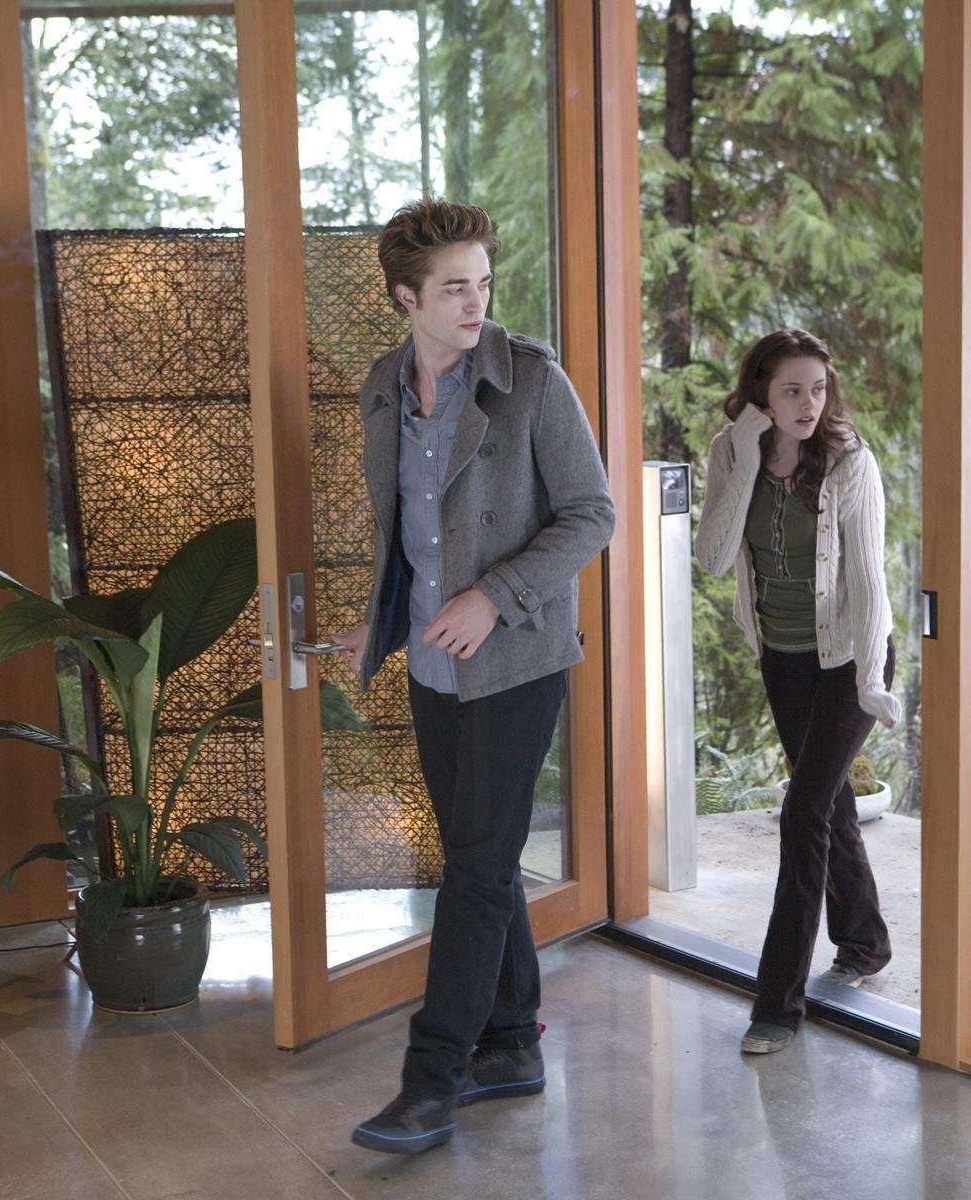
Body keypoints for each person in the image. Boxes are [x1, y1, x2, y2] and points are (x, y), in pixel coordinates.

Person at [331, 198, 615, 1153]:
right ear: (405, 298)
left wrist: (495, 596)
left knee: (477, 868)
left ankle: (430, 1081)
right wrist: (377, 627)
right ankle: (512, 1042)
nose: (476, 303)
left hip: (516, 663)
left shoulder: (530, 381)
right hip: (429, 666)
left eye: (483, 283)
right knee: (479, 858)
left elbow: (592, 513)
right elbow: (406, 536)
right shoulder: (383, 388)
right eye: (455, 287)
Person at [692, 328, 902, 1054]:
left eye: (818, 388)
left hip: (850, 660)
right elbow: (713, 557)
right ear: (761, 393)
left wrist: (870, 681)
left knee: (804, 811)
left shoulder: (849, 462)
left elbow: (869, 581)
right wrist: (748, 454)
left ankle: (777, 1003)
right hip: (783, 660)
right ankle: (866, 941)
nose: (809, 403)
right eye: (791, 390)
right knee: (829, 803)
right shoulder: (731, 450)